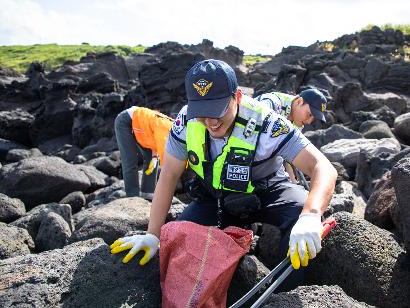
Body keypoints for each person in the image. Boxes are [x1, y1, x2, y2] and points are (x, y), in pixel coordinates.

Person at [110, 60, 337, 286]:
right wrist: (153, 234)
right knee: (179, 240)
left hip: (268, 190)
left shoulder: (268, 123)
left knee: (301, 215)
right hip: (216, 196)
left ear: (237, 97)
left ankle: (287, 293)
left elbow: (323, 168)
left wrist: (311, 214)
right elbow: (168, 175)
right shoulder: (185, 122)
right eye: (203, 112)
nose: (211, 121)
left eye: (219, 110)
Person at [114, 106, 173, 199]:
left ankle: (148, 193)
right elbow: (167, 165)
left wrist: (154, 157)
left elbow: (156, 140)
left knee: (152, 160)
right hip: (126, 121)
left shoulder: (174, 130)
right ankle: (132, 197)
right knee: (130, 160)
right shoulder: (167, 130)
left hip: (142, 127)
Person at [254, 88, 327, 128]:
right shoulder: (271, 102)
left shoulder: (297, 121)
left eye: (313, 118)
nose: (308, 122)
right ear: (299, 101)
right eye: (309, 114)